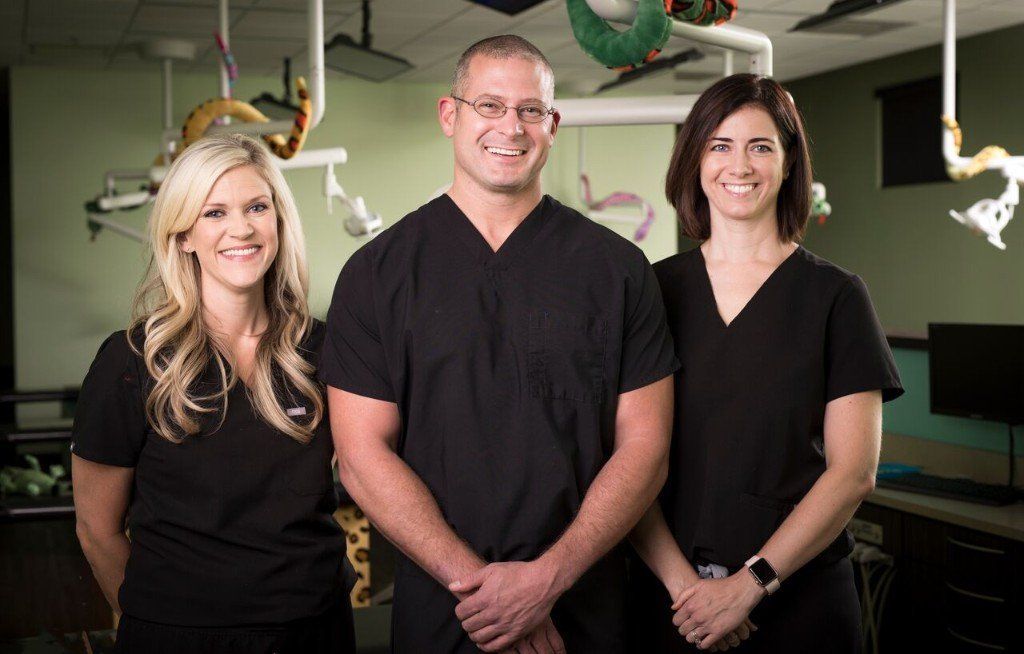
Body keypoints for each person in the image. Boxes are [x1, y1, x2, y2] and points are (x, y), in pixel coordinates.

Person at [321, 35, 679, 654]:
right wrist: (488, 596)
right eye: (489, 105)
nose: (509, 127)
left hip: (584, 614)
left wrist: (548, 580)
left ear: (552, 123)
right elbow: (360, 457)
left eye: (529, 110)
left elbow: (645, 448)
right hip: (447, 614)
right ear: (449, 114)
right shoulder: (377, 273)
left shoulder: (617, 269)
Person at [627, 74, 904, 653]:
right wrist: (689, 592)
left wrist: (749, 585)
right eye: (720, 146)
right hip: (671, 603)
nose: (740, 165)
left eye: (761, 146)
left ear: (787, 162)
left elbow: (853, 472)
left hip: (799, 604)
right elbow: (627, 460)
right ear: (695, 161)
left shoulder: (836, 297)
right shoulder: (653, 291)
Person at [71, 134, 355, 654]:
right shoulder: (131, 360)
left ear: (278, 220)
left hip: (313, 630)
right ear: (183, 236)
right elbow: (96, 529)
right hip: (177, 636)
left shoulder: (324, 349)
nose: (241, 228)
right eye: (214, 213)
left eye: (256, 207)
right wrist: (159, 620)